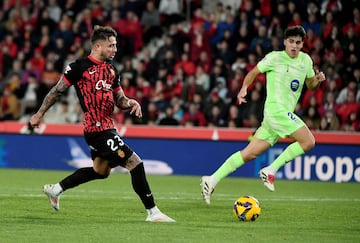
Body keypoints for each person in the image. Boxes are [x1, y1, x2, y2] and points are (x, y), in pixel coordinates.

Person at [29, 25, 175, 222]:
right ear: (97, 46)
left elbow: (120, 100)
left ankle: (56, 189)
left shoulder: (112, 70)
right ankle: (153, 212)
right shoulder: (78, 67)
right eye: (111, 46)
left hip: (107, 127)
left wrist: (131, 102)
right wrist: (39, 114)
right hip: (96, 129)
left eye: (115, 45)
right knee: (135, 163)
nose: (115, 49)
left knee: (101, 171)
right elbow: (56, 91)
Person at [201, 25, 326, 205]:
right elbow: (254, 72)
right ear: (285, 42)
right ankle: (271, 170)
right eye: (291, 42)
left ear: (302, 44)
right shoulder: (275, 57)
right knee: (309, 141)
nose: (294, 46)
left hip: (279, 117)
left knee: (249, 154)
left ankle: (211, 179)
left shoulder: (306, 61)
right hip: (276, 111)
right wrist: (244, 88)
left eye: (298, 42)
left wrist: (317, 80)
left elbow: (311, 85)